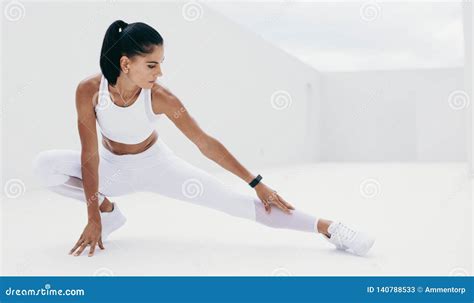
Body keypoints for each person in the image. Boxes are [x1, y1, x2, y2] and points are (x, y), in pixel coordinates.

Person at [32, 20, 375, 258]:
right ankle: (111, 213)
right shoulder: (89, 91)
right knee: (45, 166)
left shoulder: (162, 97)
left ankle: (329, 227)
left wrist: (256, 182)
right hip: (111, 169)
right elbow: (88, 156)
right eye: (152, 65)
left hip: (157, 165)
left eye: (161, 63)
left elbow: (205, 143)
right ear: (125, 63)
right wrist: (95, 214)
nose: (160, 72)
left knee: (234, 203)